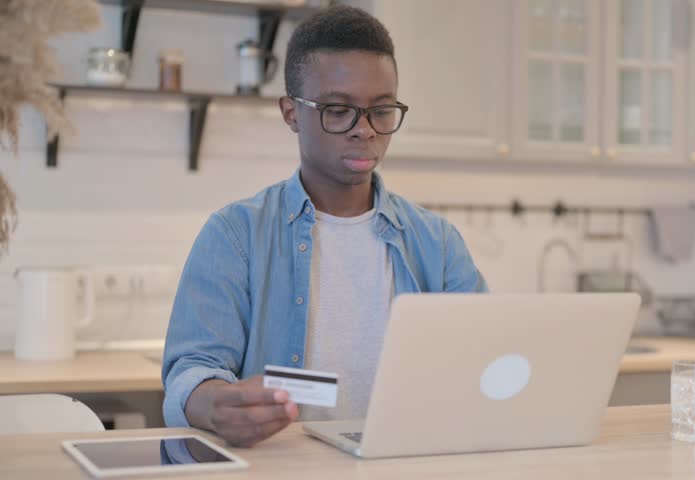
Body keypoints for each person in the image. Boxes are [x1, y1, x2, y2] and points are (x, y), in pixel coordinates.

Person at [161, 5, 488, 448]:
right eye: (338, 110)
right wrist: (215, 404)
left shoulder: (439, 244)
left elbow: (484, 362)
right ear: (292, 113)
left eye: (382, 110)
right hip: (282, 467)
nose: (365, 131)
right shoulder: (235, 235)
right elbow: (190, 372)